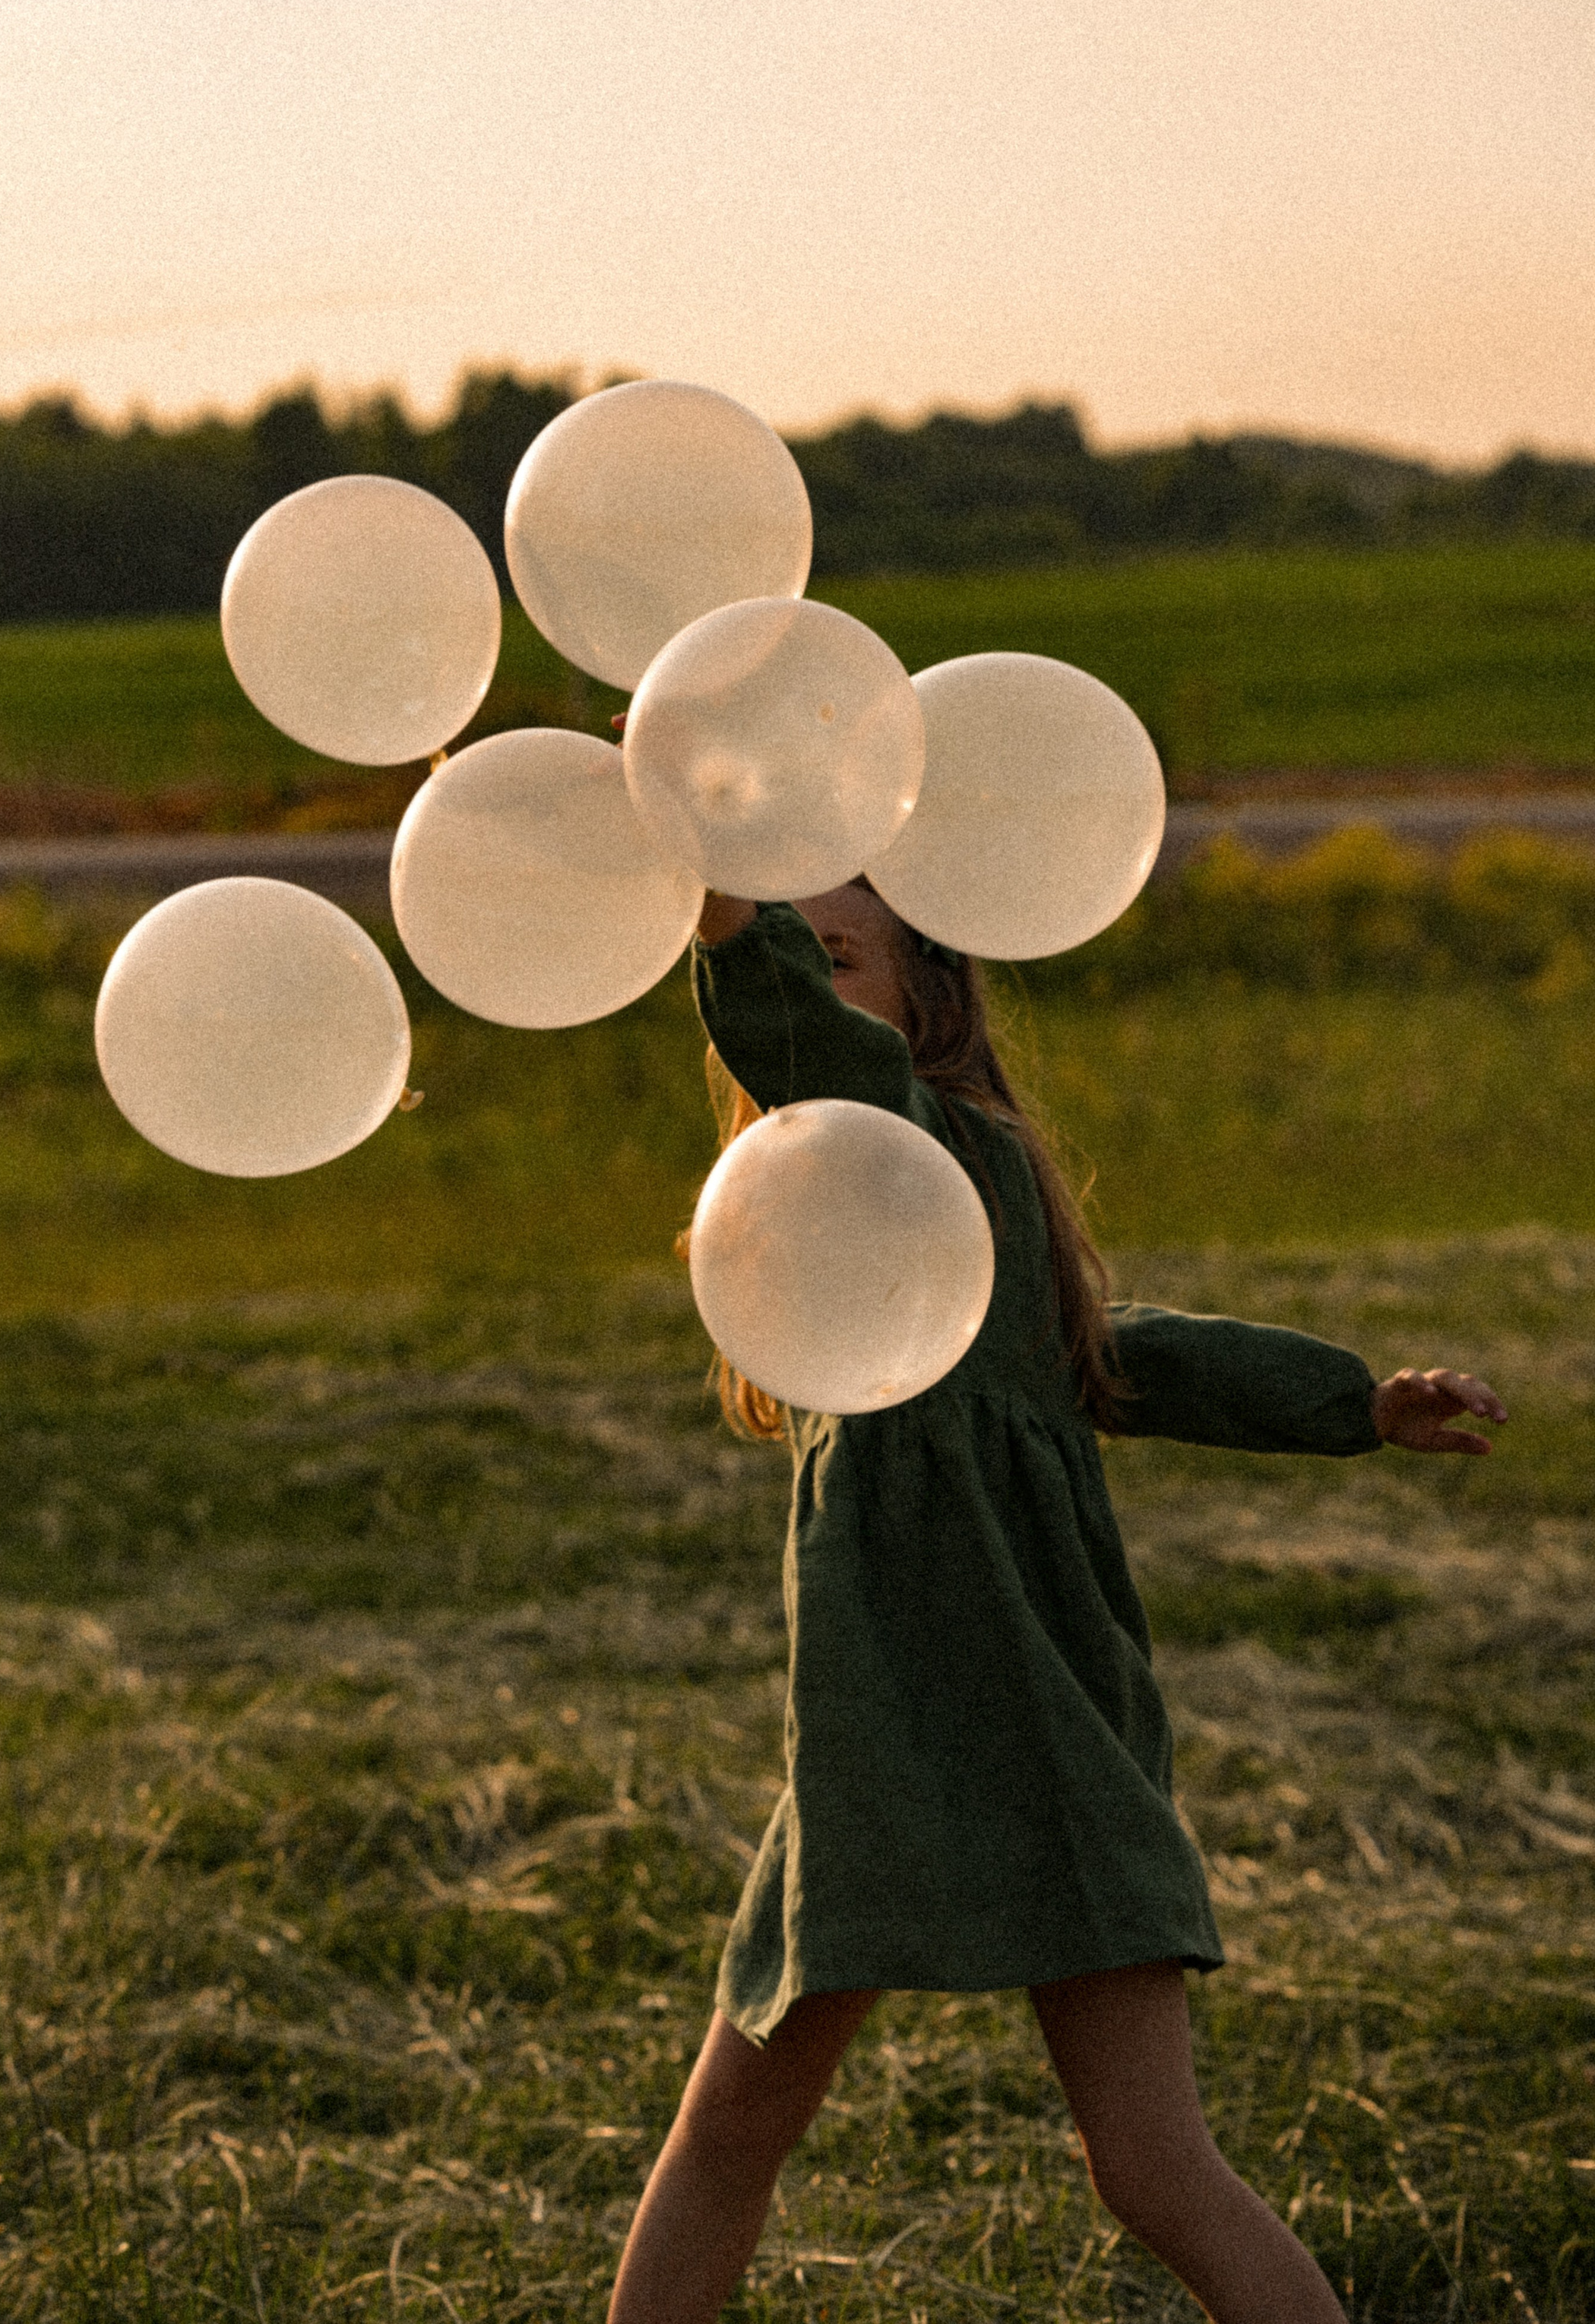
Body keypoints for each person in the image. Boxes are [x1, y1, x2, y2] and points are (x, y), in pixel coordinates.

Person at [608, 881, 1507, 2324]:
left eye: (840, 955)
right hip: (873, 1744)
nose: (811, 981)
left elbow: (1090, 1334)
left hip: (1037, 1722)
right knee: (730, 2139)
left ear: (927, 1001)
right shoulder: (852, 1229)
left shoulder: (938, 1150)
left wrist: (726, 926)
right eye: (798, 952)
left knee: (1151, 2169)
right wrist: (1354, 1401)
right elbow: (1118, 1351)